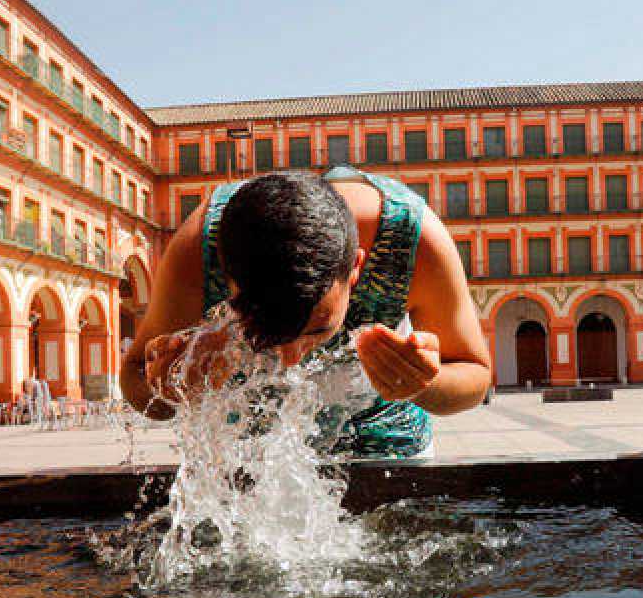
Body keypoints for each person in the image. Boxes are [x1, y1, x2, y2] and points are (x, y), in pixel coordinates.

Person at [121, 168, 492, 458]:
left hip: (387, 450)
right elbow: (135, 377)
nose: (290, 358)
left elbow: (476, 375)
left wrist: (423, 383)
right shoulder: (198, 247)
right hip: (245, 458)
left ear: (356, 269)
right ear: (227, 278)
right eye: (262, 330)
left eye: (316, 331)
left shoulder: (414, 241)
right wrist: (169, 386)